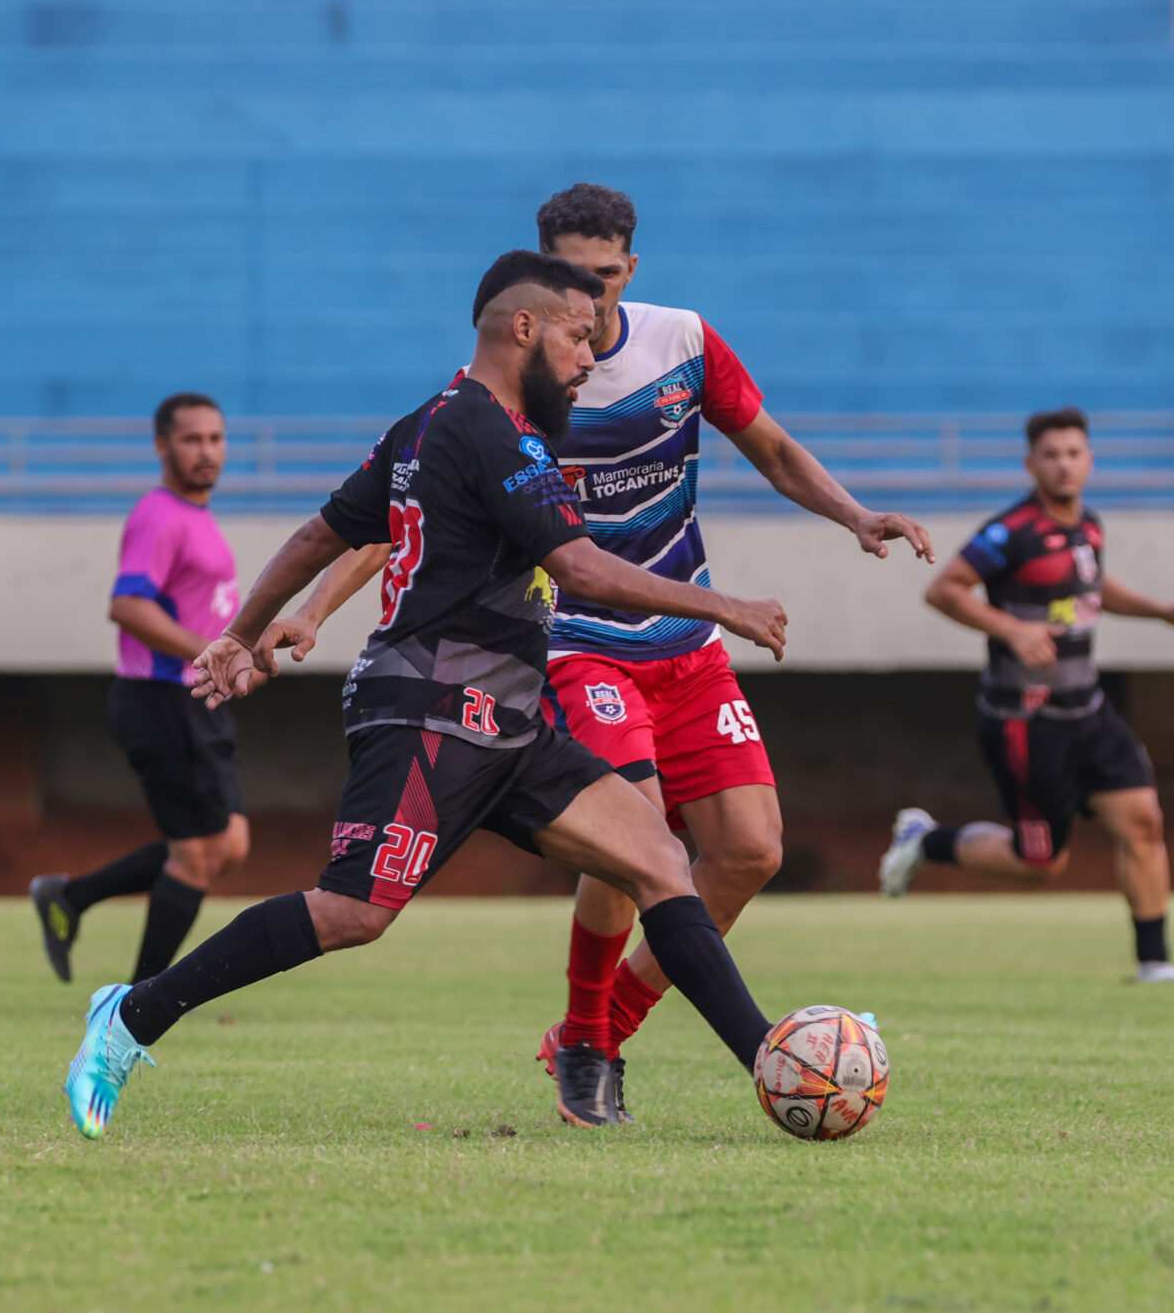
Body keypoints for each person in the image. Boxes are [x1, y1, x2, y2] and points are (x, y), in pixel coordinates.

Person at [61, 251, 798, 1137]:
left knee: (657, 860)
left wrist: (245, 632)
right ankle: (131, 1014)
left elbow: (317, 535)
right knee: (352, 912)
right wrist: (724, 604)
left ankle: (773, 1062)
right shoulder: (492, 432)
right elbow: (578, 567)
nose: (587, 356)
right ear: (521, 327)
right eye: (574, 333)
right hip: (431, 709)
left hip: (509, 717)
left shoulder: (427, 424)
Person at [278, 183, 934, 1125]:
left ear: (634, 267)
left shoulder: (684, 345)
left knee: (749, 851)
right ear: (542, 275)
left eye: (609, 275)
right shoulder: (516, 387)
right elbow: (402, 518)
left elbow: (775, 448)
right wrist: (316, 608)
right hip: (580, 643)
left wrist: (856, 514)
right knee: (637, 831)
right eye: (575, 278)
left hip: (687, 643)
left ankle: (596, 1030)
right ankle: (593, 1045)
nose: (591, 298)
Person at [877, 408, 1174, 983]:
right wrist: (1012, 629)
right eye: (1052, 455)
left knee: (1143, 821)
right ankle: (926, 841)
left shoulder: (1091, 526)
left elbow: (1092, 585)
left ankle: (1154, 963)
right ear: (1031, 463)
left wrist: (1162, 613)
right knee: (1041, 863)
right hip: (1026, 721)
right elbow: (944, 589)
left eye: (1074, 453)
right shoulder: (1010, 532)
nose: (1064, 464)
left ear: (1090, 461)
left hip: (1090, 709)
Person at [29, 394, 251, 985]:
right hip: (161, 700)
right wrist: (208, 653)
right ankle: (135, 1003)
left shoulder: (197, 517)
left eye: (215, 439)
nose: (206, 451)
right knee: (198, 855)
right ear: (162, 446)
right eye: (191, 440)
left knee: (228, 843)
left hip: (194, 699)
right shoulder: (160, 515)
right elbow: (127, 604)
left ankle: (70, 898)